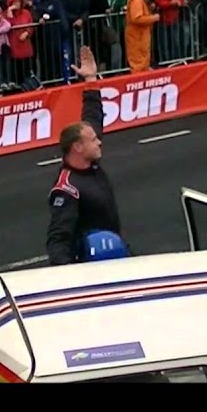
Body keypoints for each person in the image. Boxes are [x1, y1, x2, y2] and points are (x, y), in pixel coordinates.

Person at [46, 45, 128, 265]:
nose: (99, 141)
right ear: (78, 148)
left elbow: (93, 117)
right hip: (93, 264)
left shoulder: (88, 161)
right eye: (93, 140)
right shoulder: (67, 189)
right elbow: (58, 239)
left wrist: (91, 79)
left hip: (114, 251)